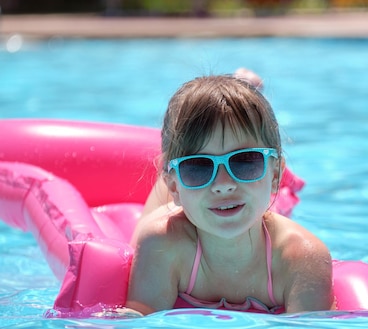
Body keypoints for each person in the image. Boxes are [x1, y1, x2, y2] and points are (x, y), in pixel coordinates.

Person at [125, 71, 333, 315]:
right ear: (174, 189)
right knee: (156, 210)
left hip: (237, 204)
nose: (223, 183)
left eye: (245, 160)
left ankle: (240, 94)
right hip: (181, 210)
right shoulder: (162, 244)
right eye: (198, 166)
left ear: (276, 175)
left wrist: (199, 172)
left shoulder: (301, 258)